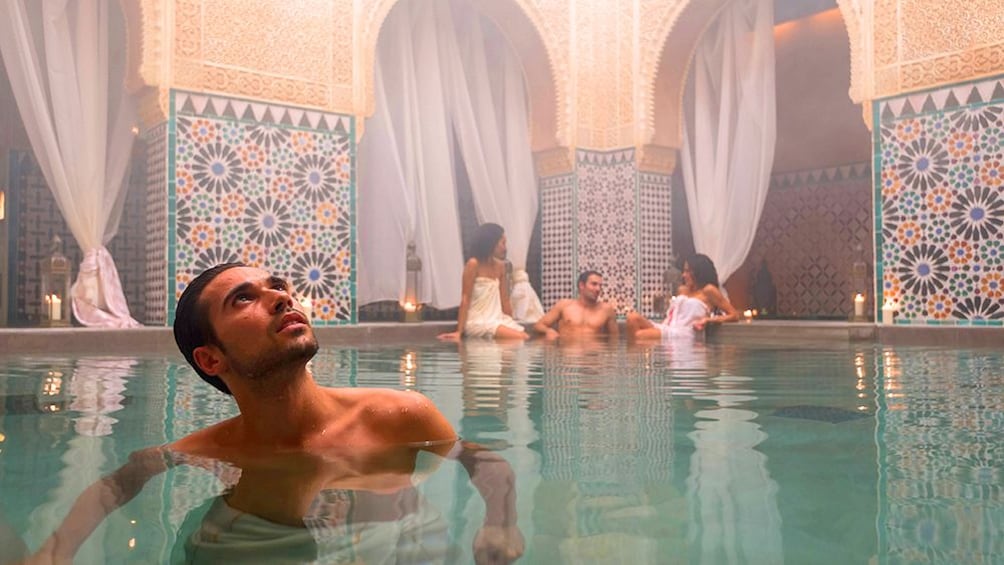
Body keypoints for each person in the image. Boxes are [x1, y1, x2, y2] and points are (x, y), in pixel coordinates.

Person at [22, 263, 523, 564]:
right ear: (211, 360)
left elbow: (484, 462)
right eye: (245, 299)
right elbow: (120, 481)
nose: (282, 296)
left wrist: (500, 522)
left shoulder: (400, 415)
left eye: (278, 287)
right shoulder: (207, 450)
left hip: (402, 544)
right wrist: (56, 549)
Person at [439, 223, 529, 341]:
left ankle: (502, 359)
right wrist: (459, 331)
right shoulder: (473, 264)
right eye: (502, 243)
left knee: (524, 336)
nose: (505, 248)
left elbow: (504, 299)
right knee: (518, 337)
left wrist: (509, 322)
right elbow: (465, 298)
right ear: (491, 243)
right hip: (477, 321)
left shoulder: (501, 267)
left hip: (496, 318)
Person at [625, 253, 739, 340]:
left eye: (688, 271)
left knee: (640, 336)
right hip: (669, 327)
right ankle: (636, 362)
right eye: (684, 271)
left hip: (686, 333)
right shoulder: (682, 290)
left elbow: (734, 315)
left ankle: (636, 365)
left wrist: (709, 320)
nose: (684, 275)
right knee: (632, 317)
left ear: (698, 272)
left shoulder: (709, 290)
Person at [532, 270, 618, 339]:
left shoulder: (606, 310)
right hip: (570, 358)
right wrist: (548, 331)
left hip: (595, 358)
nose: (598, 289)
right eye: (594, 284)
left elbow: (615, 339)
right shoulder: (564, 305)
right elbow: (538, 325)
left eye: (600, 285)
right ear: (581, 285)